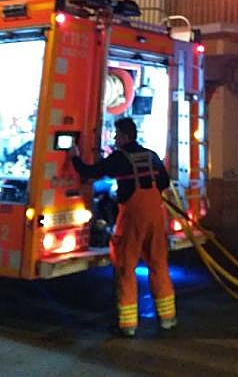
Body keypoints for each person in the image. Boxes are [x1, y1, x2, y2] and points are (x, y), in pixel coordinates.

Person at [69, 116, 176, 337]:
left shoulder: (119, 158)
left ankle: (128, 325)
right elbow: (164, 182)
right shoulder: (151, 155)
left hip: (133, 218)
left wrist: (74, 157)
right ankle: (167, 318)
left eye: (117, 135)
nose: (115, 139)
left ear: (125, 137)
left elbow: (91, 172)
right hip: (156, 216)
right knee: (158, 264)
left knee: (126, 267)